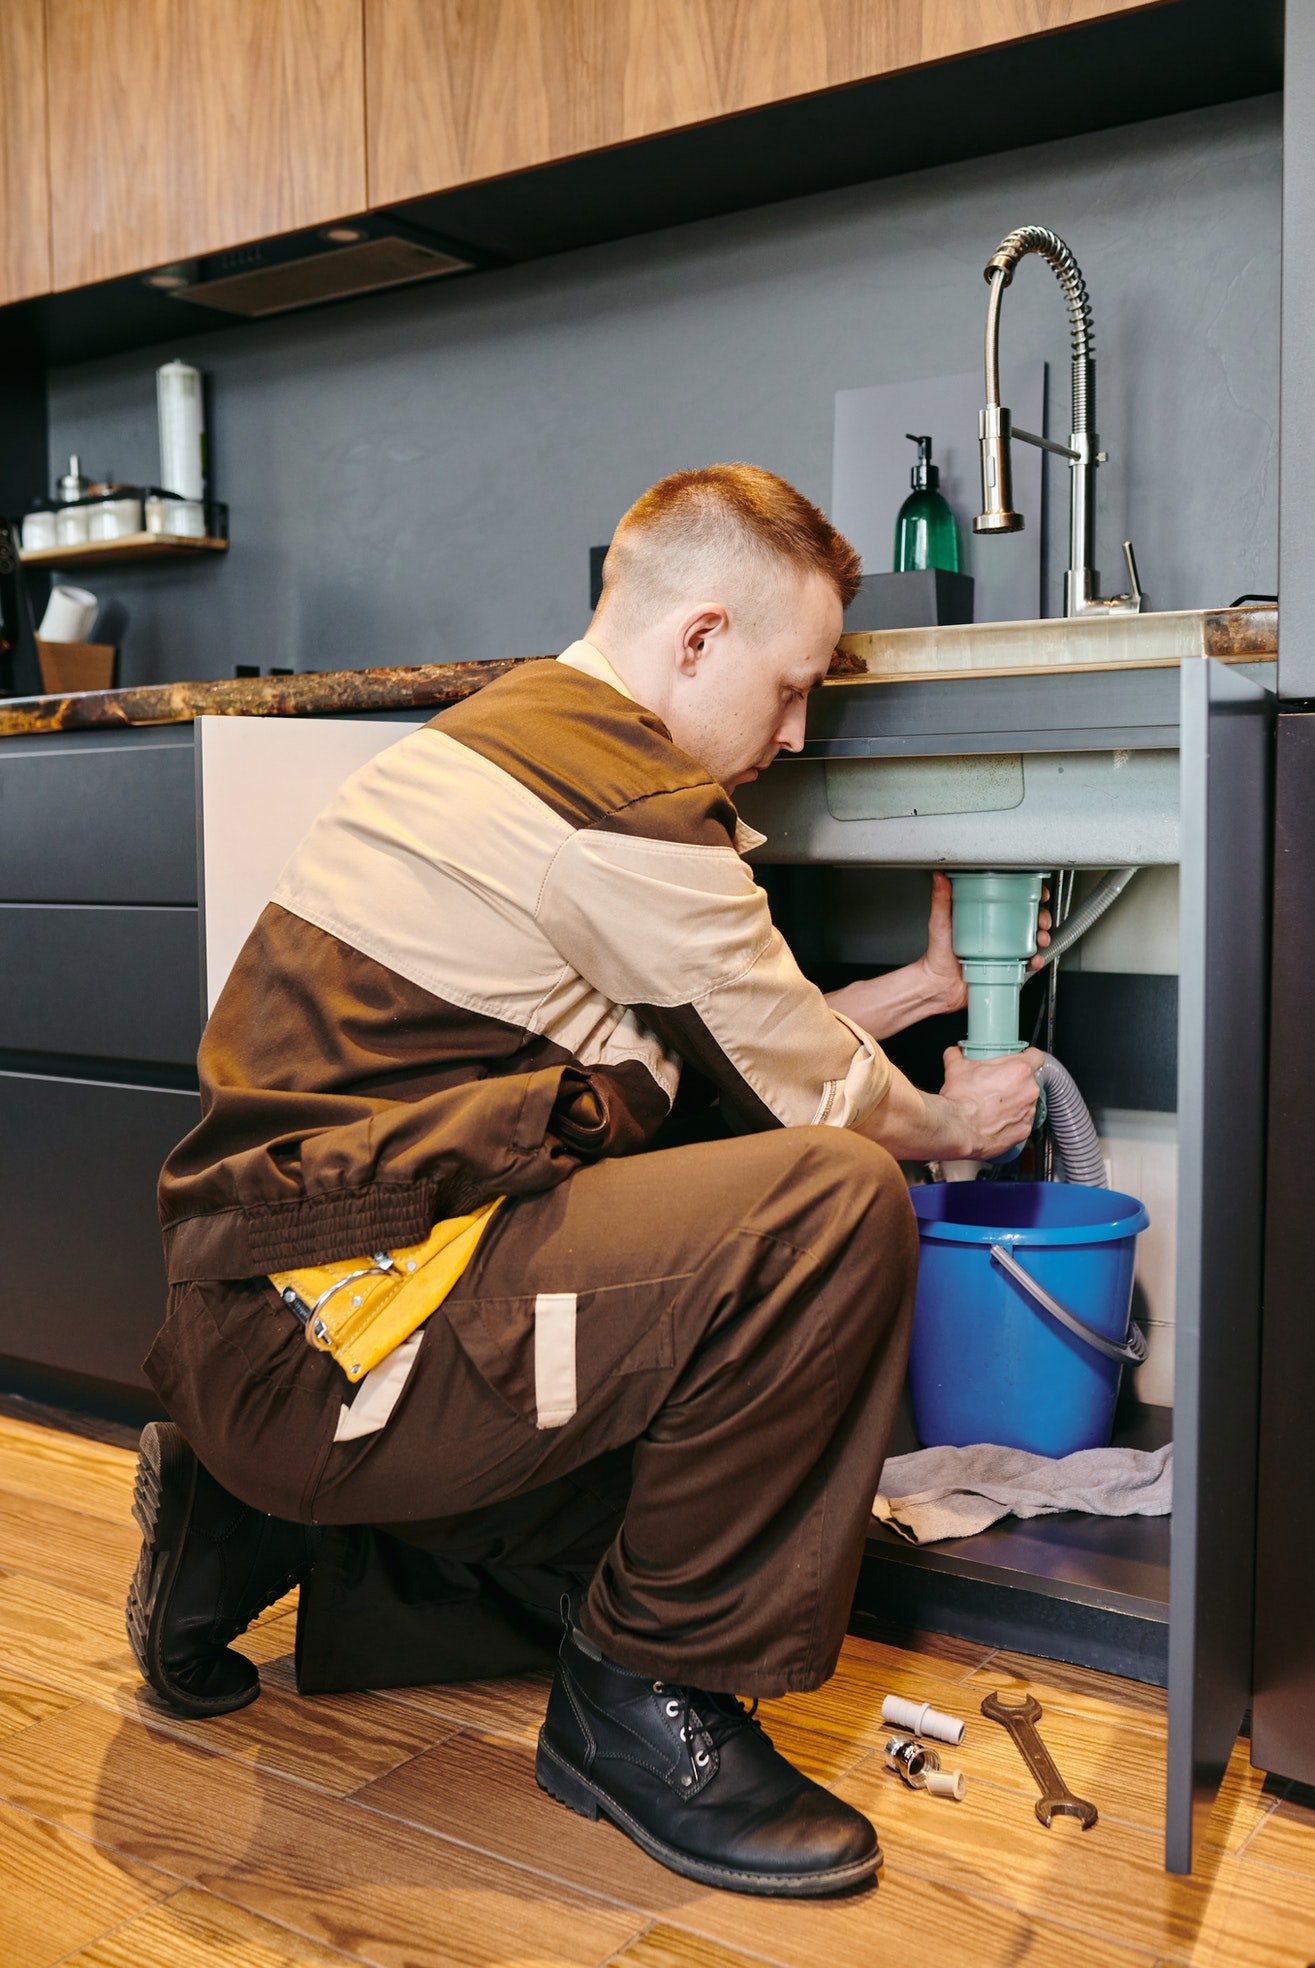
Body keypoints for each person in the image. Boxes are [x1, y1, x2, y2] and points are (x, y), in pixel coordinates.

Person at [129, 463, 1046, 1898]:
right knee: (828, 1205)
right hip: (338, 1348)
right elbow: (807, 1096)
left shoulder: (518, 745)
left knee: (698, 1497)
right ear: (698, 637)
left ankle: (247, 1519)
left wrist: (909, 998)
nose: (795, 734)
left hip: (276, 1320)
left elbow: (707, 1042)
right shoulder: (620, 801)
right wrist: (952, 1127)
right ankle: (642, 1704)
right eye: (792, 689)